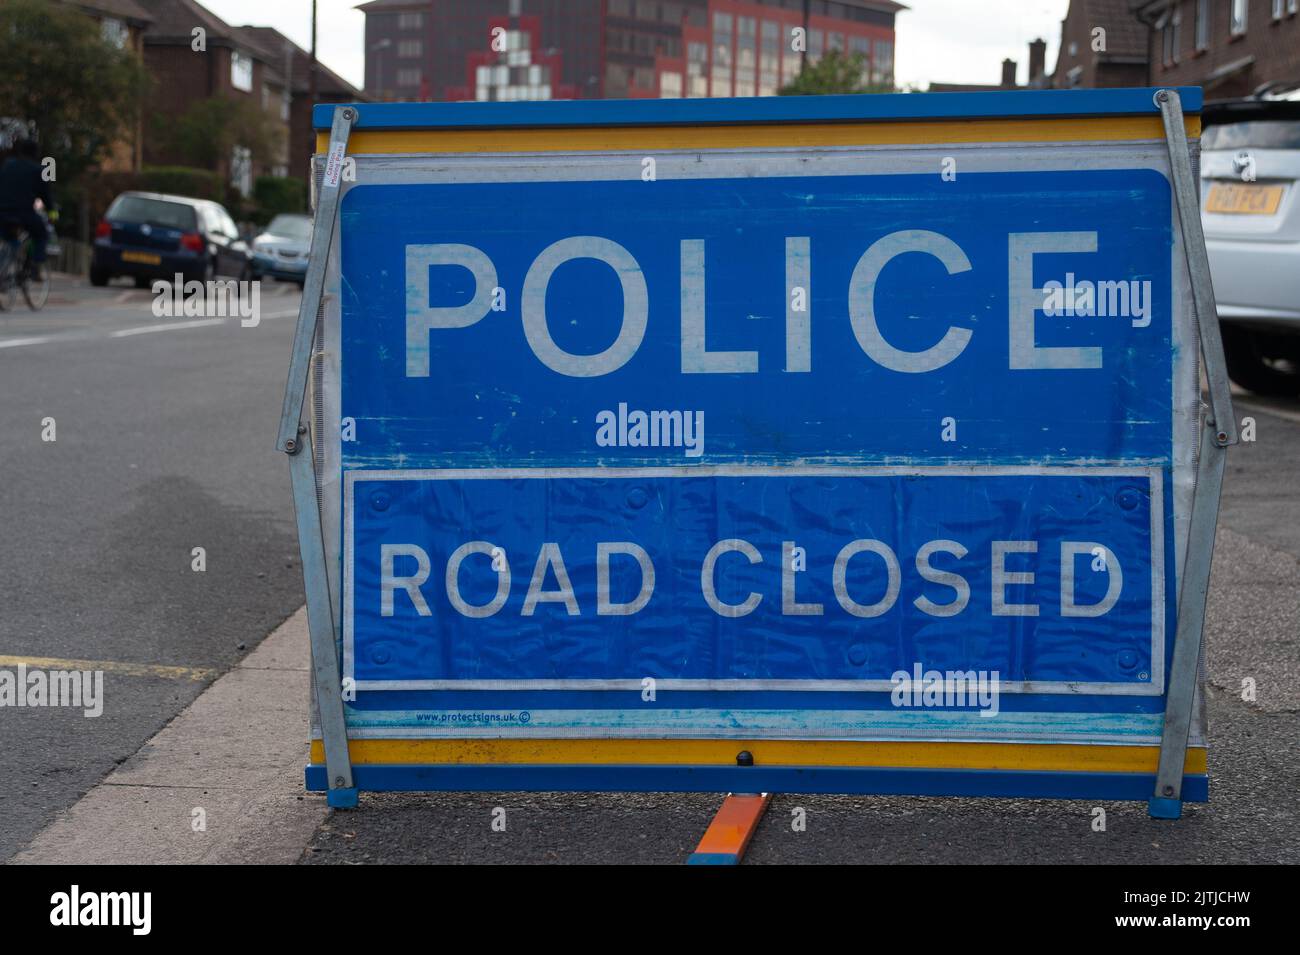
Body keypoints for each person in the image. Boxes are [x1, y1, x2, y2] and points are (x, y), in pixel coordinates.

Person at [0, 139, 55, 280]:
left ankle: (4, 271)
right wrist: (52, 211)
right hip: (23, 213)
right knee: (41, 234)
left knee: (10, 239)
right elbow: (45, 195)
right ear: (36, 153)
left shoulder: (7, 166)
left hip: (3, 213)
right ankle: (35, 266)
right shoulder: (37, 170)